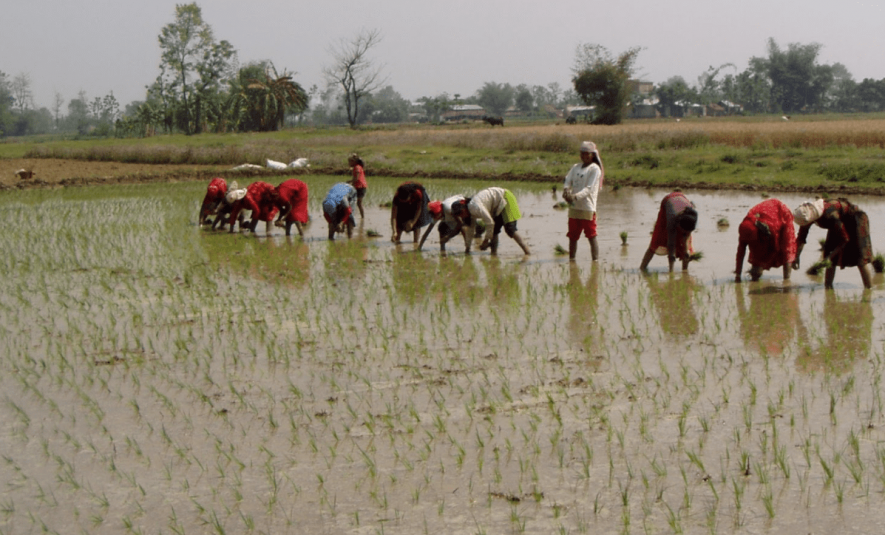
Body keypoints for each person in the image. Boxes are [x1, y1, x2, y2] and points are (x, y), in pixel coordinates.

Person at [793, 198, 872, 289]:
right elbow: (801, 238)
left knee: (860, 257)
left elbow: (844, 239)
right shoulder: (807, 215)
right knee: (828, 251)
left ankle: (868, 289)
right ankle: (828, 288)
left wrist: (829, 257)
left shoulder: (830, 215)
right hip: (838, 223)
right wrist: (797, 256)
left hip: (855, 220)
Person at [734, 198, 797, 282]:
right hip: (762, 222)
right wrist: (738, 274)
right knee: (757, 264)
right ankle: (754, 279)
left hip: (781, 214)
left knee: (787, 249)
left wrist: (763, 263)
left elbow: (774, 248)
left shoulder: (769, 230)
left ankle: (787, 280)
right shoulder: (745, 227)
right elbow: (740, 252)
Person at [562, 141, 603, 261]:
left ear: (592, 155)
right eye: (582, 154)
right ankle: (572, 260)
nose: (584, 156)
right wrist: (566, 190)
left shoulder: (594, 169)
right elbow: (567, 180)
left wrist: (574, 196)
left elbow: (589, 189)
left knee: (591, 235)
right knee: (573, 236)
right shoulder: (576, 167)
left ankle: (595, 261)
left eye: (587, 154)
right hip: (574, 207)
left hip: (587, 207)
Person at [639, 191, 698, 272]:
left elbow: (685, 242)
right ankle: (642, 268)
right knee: (657, 240)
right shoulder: (672, 219)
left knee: (685, 246)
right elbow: (671, 245)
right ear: (678, 224)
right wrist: (671, 272)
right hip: (668, 201)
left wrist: (685, 253)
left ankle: (685, 270)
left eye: (686, 232)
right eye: (682, 230)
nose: (683, 233)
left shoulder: (692, 218)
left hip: (681, 201)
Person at [466, 187, 530, 255]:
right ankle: (494, 255)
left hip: (505, 198)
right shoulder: (471, 210)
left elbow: (490, 223)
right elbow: (471, 229)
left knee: (510, 229)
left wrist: (486, 241)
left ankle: (527, 252)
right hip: (496, 206)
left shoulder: (476, 206)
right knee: (494, 230)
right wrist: (467, 248)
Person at [348, 153, 367, 220]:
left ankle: (361, 217)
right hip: (360, 186)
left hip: (360, 187)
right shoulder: (358, 167)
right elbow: (355, 178)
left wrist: (351, 184)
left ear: (353, 161)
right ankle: (362, 217)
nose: (349, 163)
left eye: (350, 161)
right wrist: (350, 181)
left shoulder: (357, 167)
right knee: (357, 203)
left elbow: (357, 178)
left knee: (357, 203)